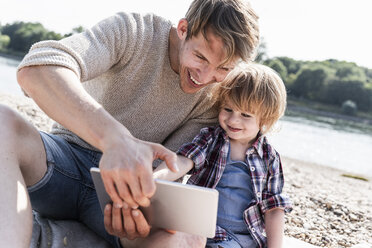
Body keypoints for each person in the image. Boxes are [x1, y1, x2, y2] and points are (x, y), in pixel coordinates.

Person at [0, 0, 260, 247]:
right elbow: (38, 67)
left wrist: (141, 206)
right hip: (61, 162)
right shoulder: (135, 31)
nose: (205, 77)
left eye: (223, 68)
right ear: (183, 29)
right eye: (200, 57)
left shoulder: (217, 98)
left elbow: (167, 170)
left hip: (124, 200)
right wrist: (115, 140)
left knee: (190, 238)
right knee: (3, 121)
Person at [154, 63, 292, 248]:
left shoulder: (270, 158)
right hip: (203, 230)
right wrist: (154, 179)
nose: (233, 119)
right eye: (228, 109)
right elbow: (185, 159)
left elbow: (274, 208)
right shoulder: (211, 138)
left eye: (245, 114)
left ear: (265, 119)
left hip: (245, 238)